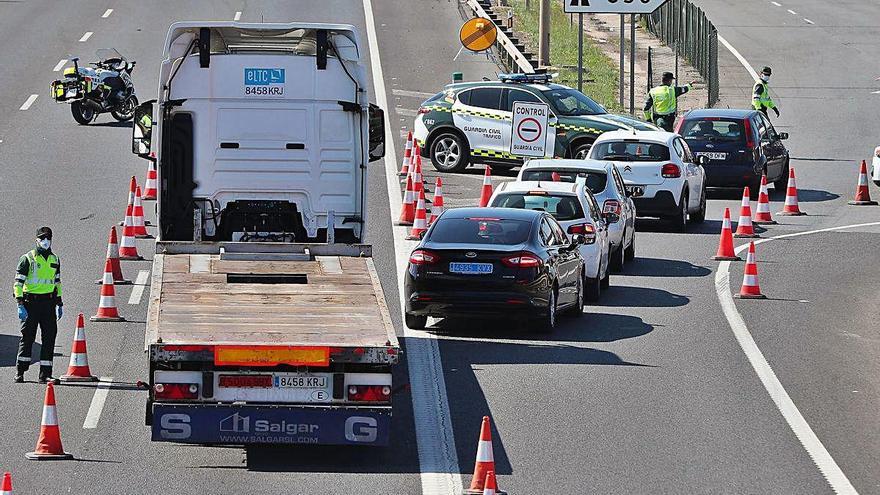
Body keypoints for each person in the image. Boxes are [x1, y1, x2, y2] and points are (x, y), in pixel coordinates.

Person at [13, 227, 63, 383]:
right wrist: (20, 304)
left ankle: (45, 374)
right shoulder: (27, 259)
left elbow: (57, 282)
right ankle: (20, 372)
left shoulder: (55, 259)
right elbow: (18, 283)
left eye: (48, 238)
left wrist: (59, 302)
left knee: (49, 338)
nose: (45, 241)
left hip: (48, 304)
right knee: (28, 337)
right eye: (42, 238)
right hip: (30, 303)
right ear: (37, 240)